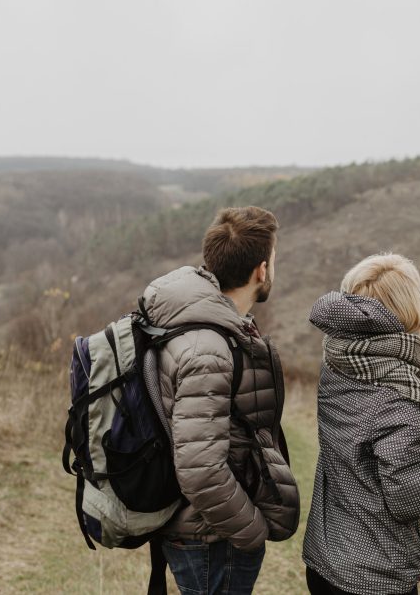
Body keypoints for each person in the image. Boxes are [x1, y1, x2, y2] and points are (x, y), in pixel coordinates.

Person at [139, 206, 299, 595]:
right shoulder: (207, 349)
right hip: (211, 538)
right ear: (261, 270)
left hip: (207, 530)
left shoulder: (211, 324)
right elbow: (200, 469)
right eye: (274, 259)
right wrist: (251, 531)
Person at [302, 253, 420, 595]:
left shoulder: (339, 359)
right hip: (375, 574)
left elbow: (375, 321)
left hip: (325, 557)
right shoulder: (400, 398)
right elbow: (411, 500)